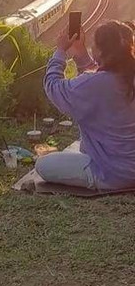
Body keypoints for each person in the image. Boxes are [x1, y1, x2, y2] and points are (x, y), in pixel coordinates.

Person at [36, 21, 135, 190]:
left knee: (43, 165)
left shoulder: (98, 83)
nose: (91, 47)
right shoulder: (126, 75)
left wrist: (60, 51)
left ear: (101, 51)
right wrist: (80, 54)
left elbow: (53, 86)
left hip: (113, 173)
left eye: (93, 44)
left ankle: (96, 178)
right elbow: (94, 80)